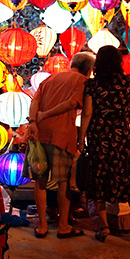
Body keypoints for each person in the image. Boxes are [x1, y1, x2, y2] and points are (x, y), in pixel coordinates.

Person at [79, 45, 130, 244]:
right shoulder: (128, 83)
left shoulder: (92, 85)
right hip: (120, 137)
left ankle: (103, 226)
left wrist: (81, 139)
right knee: (128, 179)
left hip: (98, 137)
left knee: (99, 179)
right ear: (119, 62)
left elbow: (87, 114)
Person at [27, 51, 95, 239]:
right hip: (62, 136)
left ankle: (42, 226)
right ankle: (63, 226)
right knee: (63, 182)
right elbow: (72, 103)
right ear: (89, 70)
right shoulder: (82, 81)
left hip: (39, 135)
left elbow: (35, 101)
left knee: (39, 181)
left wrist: (34, 121)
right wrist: (81, 139)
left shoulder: (50, 79)